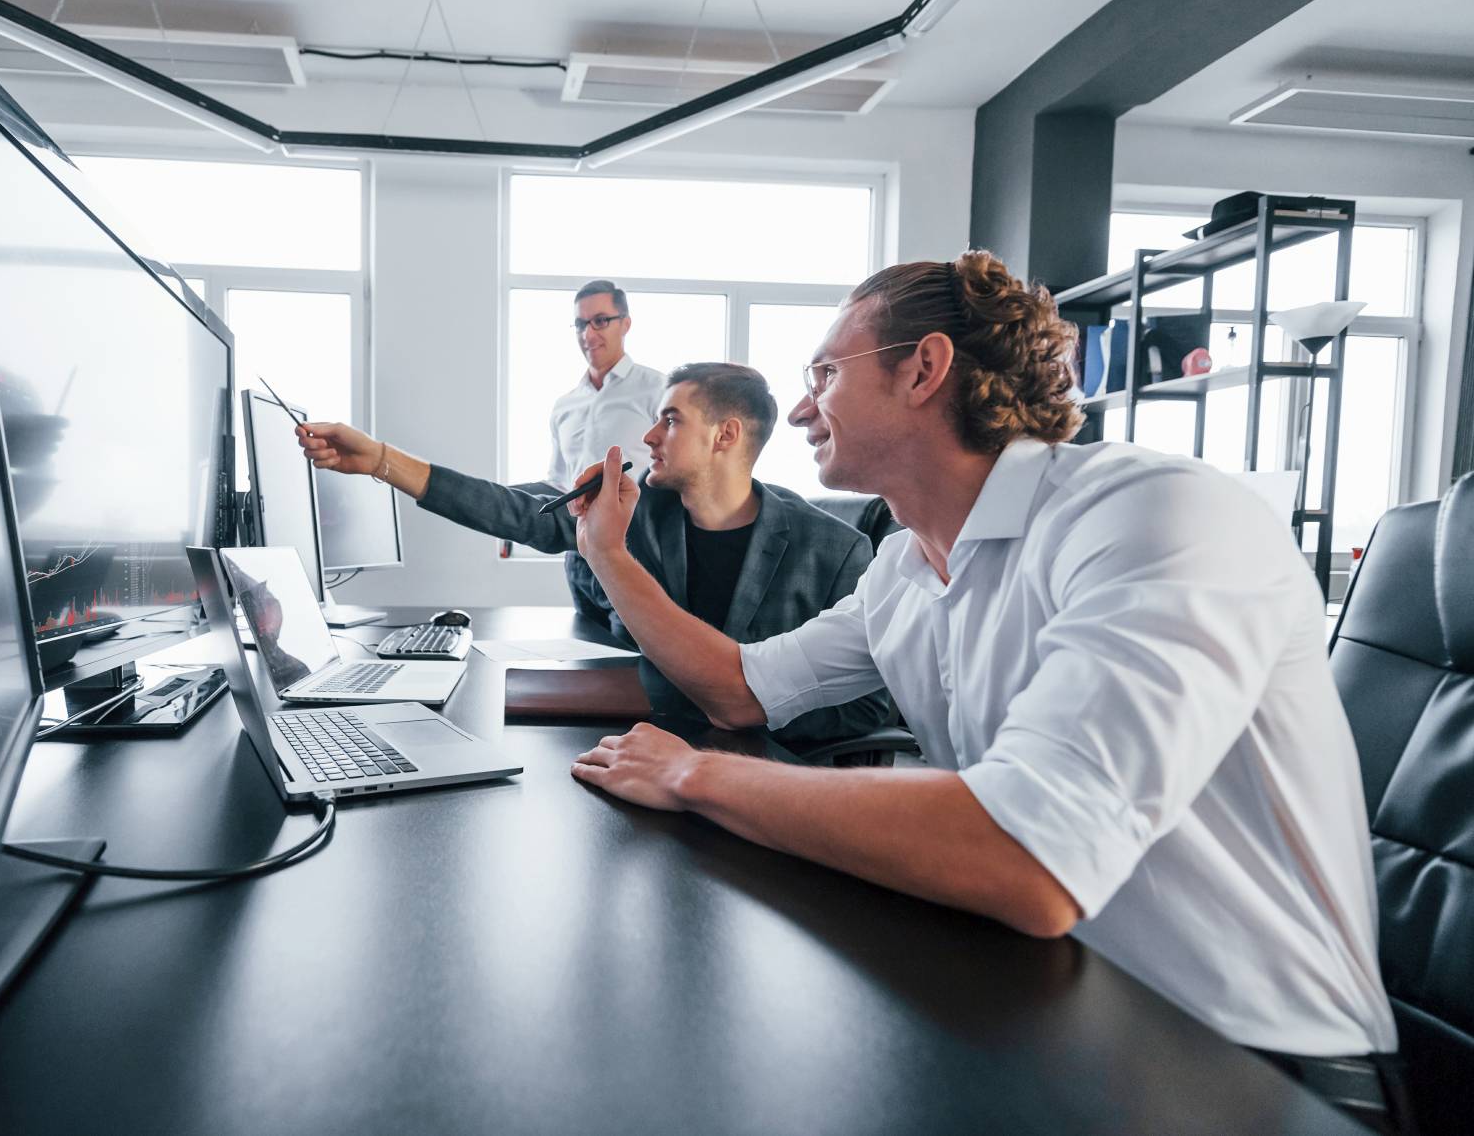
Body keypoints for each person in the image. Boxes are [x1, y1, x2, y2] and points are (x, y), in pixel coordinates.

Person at [564, 252, 1403, 1130]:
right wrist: (609, 558)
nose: (803, 408)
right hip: (1066, 1000)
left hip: (1264, 1068)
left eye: (823, 374)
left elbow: (1031, 857)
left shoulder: (1151, 516)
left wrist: (697, 777)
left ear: (923, 369)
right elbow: (741, 689)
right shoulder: (901, 569)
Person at [298, 363, 891, 745]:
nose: (651, 436)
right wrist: (380, 460)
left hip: (766, 778)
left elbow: (872, 709)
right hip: (639, 749)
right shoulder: (634, 513)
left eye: (669, 420)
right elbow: (513, 510)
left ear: (726, 435)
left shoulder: (838, 549)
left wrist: (751, 709)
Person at [546, 281, 666, 492]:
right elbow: (557, 483)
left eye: (600, 321)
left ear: (625, 324)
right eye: (581, 324)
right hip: (575, 524)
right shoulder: (563, 407)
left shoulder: (659, 390)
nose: (588, 335)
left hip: (639, 523)